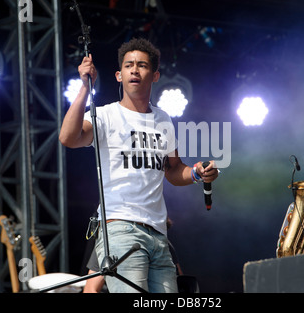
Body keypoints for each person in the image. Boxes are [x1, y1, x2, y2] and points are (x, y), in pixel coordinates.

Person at [59, 37, 218, 293]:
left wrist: (198, 173)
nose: (134, 69)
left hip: (158, 233)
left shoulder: (163, 119)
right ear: (118, 75)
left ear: (154, 76)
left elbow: (174, 170)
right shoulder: (106, 115)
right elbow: (67, 137)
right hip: (120, 228)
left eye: (142, 65)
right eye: (129, 65)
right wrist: (84, 89)